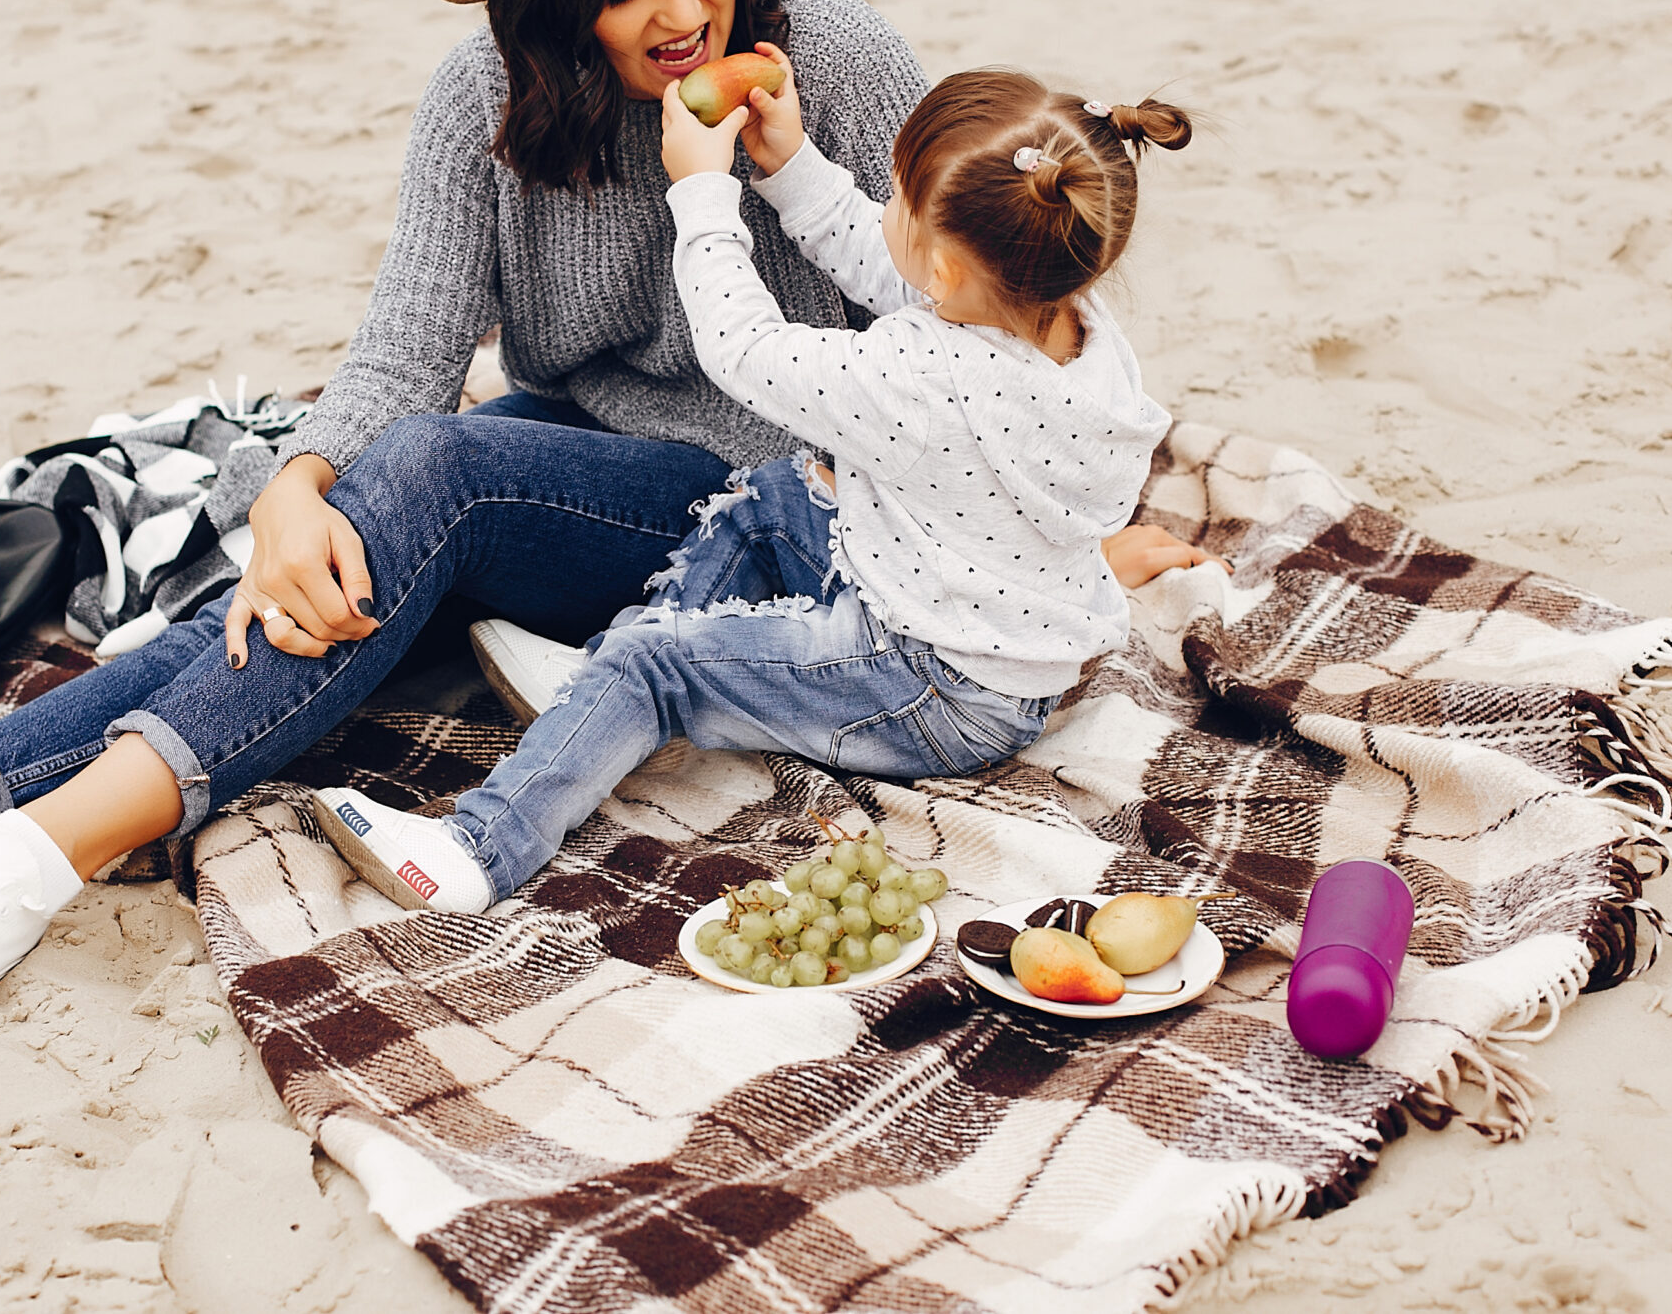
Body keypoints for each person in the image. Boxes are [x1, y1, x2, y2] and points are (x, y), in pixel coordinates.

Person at [0, 0, 1214, 1034]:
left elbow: (993, 307)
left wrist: (1077, 541)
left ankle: (24, 859)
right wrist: (290, 488)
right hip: (580, 461)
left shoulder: (841, 58)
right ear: (545, 8)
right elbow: (408, 341)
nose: (683, 11)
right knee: (353, 525)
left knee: (438, 474)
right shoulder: (482, 102)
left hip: (773, 494)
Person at [313, 58, 1192, 913]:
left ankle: (477, 850)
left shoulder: (920, 375)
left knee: (653, 665)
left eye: (894, 199)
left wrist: (701, 191)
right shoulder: (1073, 322)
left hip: (926, 682)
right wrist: (792, 164)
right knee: (773, 499)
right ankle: (592, 698)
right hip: (986, 640)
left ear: (947, 272)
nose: (882, 209)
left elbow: (743, 348)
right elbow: (903, 270)